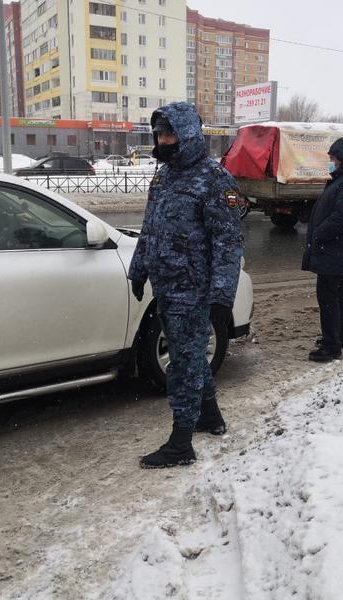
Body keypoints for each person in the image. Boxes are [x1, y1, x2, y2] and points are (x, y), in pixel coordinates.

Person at [128, 102, 243, 469]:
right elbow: (150, 227)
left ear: (190, 134)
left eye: (171, 133)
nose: (164, 140)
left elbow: (228, 242)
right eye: (160, 134)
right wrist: (139, 268)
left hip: (195, 290)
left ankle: (180, 443)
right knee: (189, 356)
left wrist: (223, 296)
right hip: (167, 284)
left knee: (184, 361)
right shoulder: (163, 177)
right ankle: (210, 416)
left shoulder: (215, 179)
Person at [302, 138, 343, 362]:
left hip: (336, 251)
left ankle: (332, 346)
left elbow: (342, 217)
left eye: (333, 158)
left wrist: (318, 233)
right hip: (338, 251)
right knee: (338, 294)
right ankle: (338, 337)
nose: (331, 162)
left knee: (329, 297)